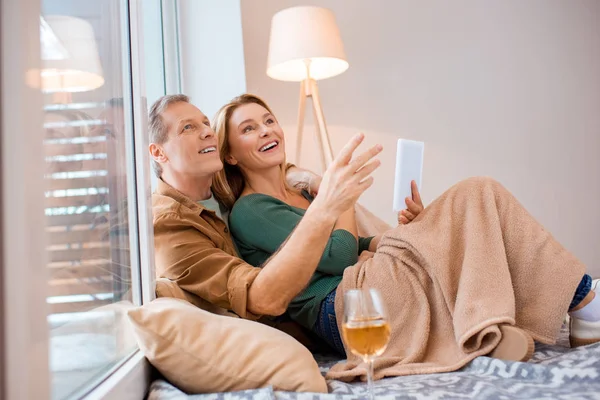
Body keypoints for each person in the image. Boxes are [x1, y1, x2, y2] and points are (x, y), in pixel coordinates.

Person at [212, 93, 600, 367]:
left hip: (362, 280)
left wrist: (415, 231)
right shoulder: (251, 209)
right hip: (343, 307)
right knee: (478, 192)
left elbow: (358, 243)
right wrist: (341, 199)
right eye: (248, 129)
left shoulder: (301, 195)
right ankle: (586, 302)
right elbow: (339, 256)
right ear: (229, 154)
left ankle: (485, 331)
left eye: (268, 121)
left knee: (468, 213)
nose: (265, 130)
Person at [148, 94, 382, 324]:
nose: (208, 132)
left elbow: (275, 167)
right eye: (187, 127)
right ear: (158, 152)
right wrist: (333, 204)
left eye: (206, 123)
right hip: (328, 307)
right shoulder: (172, 226)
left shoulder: (222, 193)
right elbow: (261, 298)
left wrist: (313, 181)